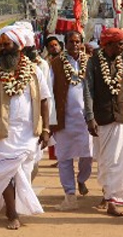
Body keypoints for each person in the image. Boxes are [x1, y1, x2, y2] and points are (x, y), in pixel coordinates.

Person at [0, 27, 51, 230]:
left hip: (29, 133)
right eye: (0, 45)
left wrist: (46, 129)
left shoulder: (34, 71)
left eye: (6, 45)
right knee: (4, 173)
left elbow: (45, 100)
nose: (2, 49)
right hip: (3, 132)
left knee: (24, 172)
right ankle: (11, 213)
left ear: (19, 47)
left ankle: (14, 208)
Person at [85, 27, 123, 216]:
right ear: (109, 44)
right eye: (120, 43)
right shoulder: (93, 63)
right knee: (108, 162)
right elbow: (88, 92)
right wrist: (90, 118)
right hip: (102, 120)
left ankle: (114, 198)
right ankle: (110, 199)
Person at [49, 31, 93, 211]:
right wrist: (50, 120)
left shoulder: (90, 62)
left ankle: (82, 179)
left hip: (86, 119)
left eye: (77, 42)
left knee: (87, 156)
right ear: (65, 44)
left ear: (81, 43)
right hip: (64, 118)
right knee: (65, 157)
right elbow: (50, 91)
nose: (74, 45)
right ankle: (70, 194)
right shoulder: (56, 63)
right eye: (71, 42)